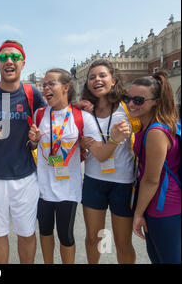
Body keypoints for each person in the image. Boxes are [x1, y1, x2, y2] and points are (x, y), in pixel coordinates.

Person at [28, 68, 130, 264]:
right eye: (44, 85)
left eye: (51, 84)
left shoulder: (82, 117)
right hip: (42, 188)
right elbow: (34, 145)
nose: (46, 88)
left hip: (68, 189)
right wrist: (33, 141)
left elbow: (100, 154)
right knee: (46, 232)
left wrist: (114, 141)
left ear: (66, 87)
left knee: (65, 236)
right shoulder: (39, 114)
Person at [0, 40, 46, 264]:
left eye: (15, 57)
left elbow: (56, 114)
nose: (9, 61)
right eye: (3, 58)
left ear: (23, 63)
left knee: (26, 233)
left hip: (25, 176)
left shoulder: (32, 93)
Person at [79, 59, 137, 264]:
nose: (97, 80)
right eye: (92, 77)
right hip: (94, 181)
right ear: (87, 84)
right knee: (92, 239)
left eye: (102, 75)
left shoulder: (127, 107)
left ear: (113, 80)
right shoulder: (84, 112)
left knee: (122, 243)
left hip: (123, 182)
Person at [128, 71, 180, 264]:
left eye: (139, 100)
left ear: (156, 102)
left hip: (164, 206)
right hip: (159, 204)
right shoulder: (149, 125)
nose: (131, 104)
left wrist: (138, 214)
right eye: (129, 98)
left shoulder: (156, 132)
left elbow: (151, 179)